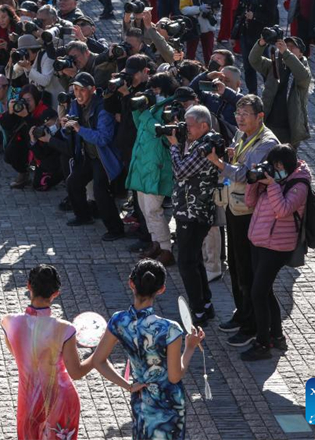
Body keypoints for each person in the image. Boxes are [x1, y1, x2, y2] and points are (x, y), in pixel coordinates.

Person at [89, 259, 205, 439]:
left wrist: (128, 386)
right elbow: (174, 376)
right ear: (161, 289)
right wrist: (189, 348)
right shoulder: (170, 329)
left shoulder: (119, 321)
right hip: (169, 404)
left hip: (141, 400)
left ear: (131, 283)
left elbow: (98, 360)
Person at [205, 96, 279, 348]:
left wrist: (219, 163)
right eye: (238, 113)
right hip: (235, 206)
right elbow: (238, 162)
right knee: (236, 265)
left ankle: (252, 324)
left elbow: (247, 174)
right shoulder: (241, 134)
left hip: (252, 213)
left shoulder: (266, 142)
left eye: (245, 114)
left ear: (260, 116)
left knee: (248, 268)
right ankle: (242, 311)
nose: (240, 118)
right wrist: (229, 156)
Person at [1, 264, 92, 440]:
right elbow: (76, 372)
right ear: (55, 293)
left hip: (28, 402)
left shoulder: (9, 322)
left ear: (28, 285)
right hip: (61, 399)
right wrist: (96, 358)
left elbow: (18, 354)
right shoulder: (65, 329)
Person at [241, 144, 310, 361]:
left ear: (285, 165)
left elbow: (283, 210)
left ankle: (263, 344)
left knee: (258, 293)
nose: (274, 168)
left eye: (277, 165)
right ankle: (277, 336)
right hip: (259, 241)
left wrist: (271, 185)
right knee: (265, 291)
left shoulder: (299, 184)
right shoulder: (275, 180)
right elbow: (249, 202)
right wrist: (254, 182)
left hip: (277, 247)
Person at [167, 105, 218, 326]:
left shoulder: (206, 146)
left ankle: (197, 311)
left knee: (186, 262)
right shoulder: (199, 142)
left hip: (194, 212)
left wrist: (174, 146)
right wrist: (180, 143)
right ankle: (205, 304)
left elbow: (181, 171)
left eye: (189, 126)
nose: (185, 129)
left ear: (203, 125)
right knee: (194, 259)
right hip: (189, 210)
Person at [63, 73, 125, 240]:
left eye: (82, 90)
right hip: (88, 154)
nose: (78, 94)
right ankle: (83, 216)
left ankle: (116, 229)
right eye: (76, 89)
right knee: (73, 182)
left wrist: (79, 129)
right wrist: (65, 126)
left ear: (93, 90)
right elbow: (69, 131)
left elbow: (103, 138)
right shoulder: (75, 104)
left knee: (100, 191)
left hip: (105, 157)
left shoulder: (103, 108)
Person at [126, 91, 177, 266]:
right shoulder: (152, 109)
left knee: (153, 211)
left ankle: (166, 249)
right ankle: (156, 244)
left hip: (157, 169)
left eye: (155, 89)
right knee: (145, 210)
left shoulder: (170, 109)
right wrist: (137, 110)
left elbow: (157, 130)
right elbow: (139, 124)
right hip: (144, 168)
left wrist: (145, 112)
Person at [249, 36, 312, 148]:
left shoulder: (304, 72)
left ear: (301, 54)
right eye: (286, 45)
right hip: (268, 123)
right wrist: (261, 43)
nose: (288, 48)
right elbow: (254, 60)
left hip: (289, 128)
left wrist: (286, 53)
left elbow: (302, 75)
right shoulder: (274, 65)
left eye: (293, 47)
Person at [232, 0, 278, 94]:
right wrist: (233, 35)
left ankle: (269, 93)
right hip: (245, 34)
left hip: (260, 37)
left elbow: (272, 18)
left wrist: (255, 16)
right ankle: (252, 93)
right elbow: (238, 14)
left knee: (264, 66)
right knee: (248, 67)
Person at [180, 0, 219, 64]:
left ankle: (209, 71)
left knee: (209, 54)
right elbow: (183, 9)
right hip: (193, 24)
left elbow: (217, 5)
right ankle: (189, 71)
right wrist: (199, 9)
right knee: (190, 53)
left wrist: (214, 8)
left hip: (207, 25)